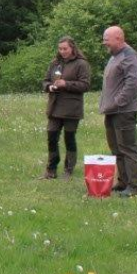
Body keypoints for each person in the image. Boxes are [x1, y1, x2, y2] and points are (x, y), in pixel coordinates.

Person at [99, 25, 137, 197]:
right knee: (116, 148)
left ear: (118, 38)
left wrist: (117, 103)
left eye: (107, 40)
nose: (104, 43)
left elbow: (132, 85)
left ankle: (136, 186)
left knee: (128, 148)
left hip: (123, 112)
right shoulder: (115, 56)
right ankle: (123, 181)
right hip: (112, 112)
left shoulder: (129, 56)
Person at [39, 36, 91, 180]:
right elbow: (45, 81)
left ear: (72, 48)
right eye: (60, 48)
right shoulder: (55, 63)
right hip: (54, 107)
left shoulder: (81, 64)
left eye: (65, 49)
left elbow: (85, 85)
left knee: (69, 138)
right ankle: (51, 169)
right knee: (51, 136)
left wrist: (65, 84)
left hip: (71, 108)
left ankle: (69, 170)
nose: (62, 51)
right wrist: (49, 86)